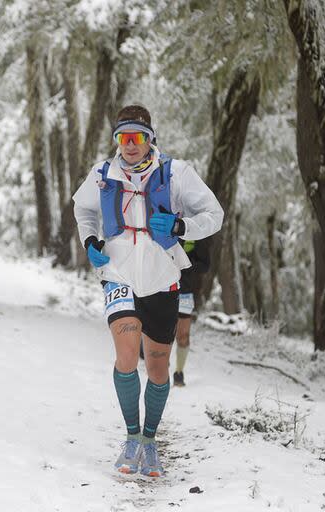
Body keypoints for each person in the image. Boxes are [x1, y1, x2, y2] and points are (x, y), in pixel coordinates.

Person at [72, 105, 223, 477]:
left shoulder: (176, 173)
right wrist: (90, 239)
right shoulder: (103, 174)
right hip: (118, 273)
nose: (130, 145)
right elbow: (83, 210)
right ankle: (131, 437)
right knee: (126, 355)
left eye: (137, 137)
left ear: (150, 139)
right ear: (117, 141)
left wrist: (180, 225)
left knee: (157, 367)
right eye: (123, 138)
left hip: (162, 278)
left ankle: (151, 441)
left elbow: (214, 215)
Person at [172, 237, 212, 387]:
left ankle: (179, 372)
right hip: (162, 287)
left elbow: (205, 265)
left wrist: (185, 265)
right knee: (159, 331)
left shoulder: (199, 232)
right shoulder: (165, 218)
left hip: (185, 291)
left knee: (182, 335)